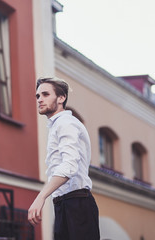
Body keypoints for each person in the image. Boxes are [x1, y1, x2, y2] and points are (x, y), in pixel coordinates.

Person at [28, 77, 100, 240]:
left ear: (61, 98)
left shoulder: (66, 123)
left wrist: (41, 197)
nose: (40, 99)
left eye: (45, 94)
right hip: (64, 204)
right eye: (38, 96)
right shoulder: (56, 126)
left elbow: (69, 165)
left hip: (77, 204)